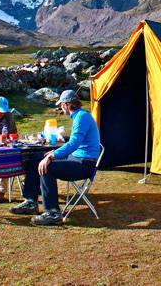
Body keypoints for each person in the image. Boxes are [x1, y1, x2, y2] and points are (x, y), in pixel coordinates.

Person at [11, 89, 101, 226]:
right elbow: (75, 143)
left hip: (84, 164)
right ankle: (30, 202)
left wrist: (53, 155)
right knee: (36, 157)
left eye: (61, 105)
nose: (60, 107)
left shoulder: (82, 117)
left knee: (48, 167)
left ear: (66, 104)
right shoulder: (79, 116)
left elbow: (74, 143)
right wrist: (54, 152)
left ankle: (52, 212)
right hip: (76, 158)